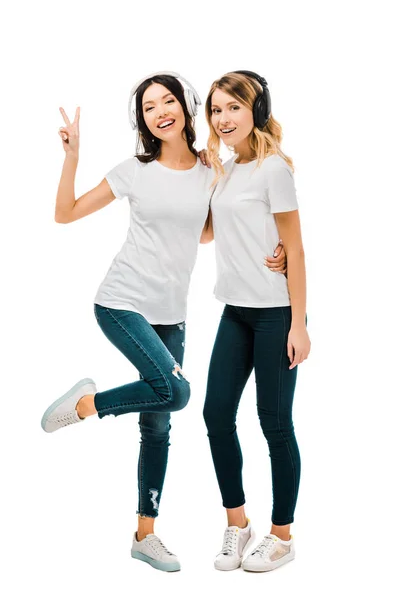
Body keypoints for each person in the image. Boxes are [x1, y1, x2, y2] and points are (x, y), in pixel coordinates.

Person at [40, 70, 289, 572]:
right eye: (149, 107)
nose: (160, 111)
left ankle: (144, 535)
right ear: (143, 121)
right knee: (176, 393)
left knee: (157, 427)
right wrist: (72, 156)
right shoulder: (133, 170)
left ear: (186, 107)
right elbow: (64, 213)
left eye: (168, 100)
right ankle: (86, 405)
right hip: (121, 303)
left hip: (171, 316)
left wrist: (276, 250)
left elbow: (211, 233)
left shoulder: (208, 169)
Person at [201, 70, 311, 573]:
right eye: (216, 110)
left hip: (275, 315)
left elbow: (297, 248)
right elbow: (208, 235)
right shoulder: (225, 170)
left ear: (255, 111)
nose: (224, 119)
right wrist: (206, 173)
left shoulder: (273, 170)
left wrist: (298, 324)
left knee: (274, 423)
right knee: (215, 414)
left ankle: (281, 535)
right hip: (235, 311)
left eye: (233, 108)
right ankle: (238, 524)